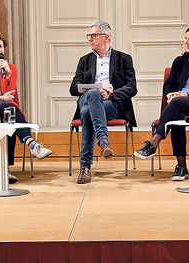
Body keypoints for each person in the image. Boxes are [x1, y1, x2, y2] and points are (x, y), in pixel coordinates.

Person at [133, 25, 189, 181]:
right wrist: (169, 95)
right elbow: (169, 84)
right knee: (176, 117)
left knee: (178, 102)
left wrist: (186, 94)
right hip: (178, 105)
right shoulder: (180, 61)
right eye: (185, 38)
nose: (186, 42)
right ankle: (181, 166)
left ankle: (154, 143)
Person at [0, 32, 52, 183]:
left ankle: (6, 169)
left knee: (8, 115)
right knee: (6, 107)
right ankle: (32, 144)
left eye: (0, 46)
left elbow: (11, 94)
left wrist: (8, 73)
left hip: (4, 109)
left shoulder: (10, 68)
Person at [70, 21, 137, 184]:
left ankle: (85, 168)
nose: (89, 39)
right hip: (88, 98)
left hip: (111, 104)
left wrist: (111, 93)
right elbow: (73, 89)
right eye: (89, 36)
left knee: (86, 113)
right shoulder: (84, 60)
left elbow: (132, 88)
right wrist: (96, 88)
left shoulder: (124, 59)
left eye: (93, 35)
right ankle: (103, 140)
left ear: (105, 37)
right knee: (93, 94)